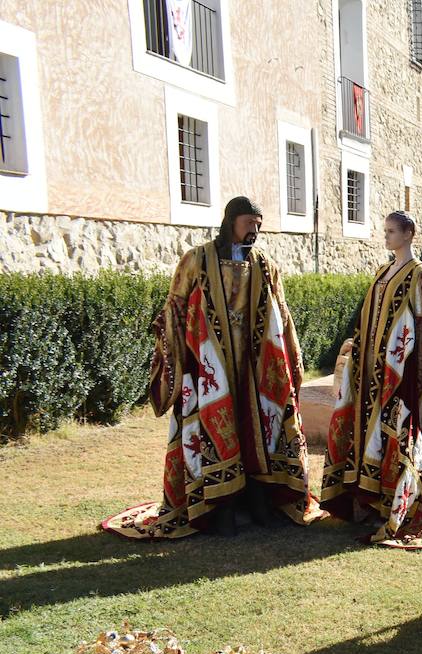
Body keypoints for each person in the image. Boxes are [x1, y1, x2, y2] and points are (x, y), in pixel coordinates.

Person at [108, 196, 318, 539]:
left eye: (258, 224)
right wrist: (177, 354)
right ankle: (218, 509)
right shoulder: (197, 259)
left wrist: (290, 362)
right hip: (209, 369)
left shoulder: (264, 264)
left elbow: (281, 312)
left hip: (254, 368)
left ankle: (260, 501)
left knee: (259, 431)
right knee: (216, 431)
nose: (254, 230)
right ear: (231, 221)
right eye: (248, 223)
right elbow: (175, 306)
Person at [321, 211, 422, 543]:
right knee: (367, 432)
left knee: (394, 432)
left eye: (392, 231)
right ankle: (368, 498)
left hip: (401, 374)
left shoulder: (420, 274)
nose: (386, 236)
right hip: (369, 373)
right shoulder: (382, 272)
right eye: (385, 231)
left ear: (409, 233)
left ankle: (396, 502)